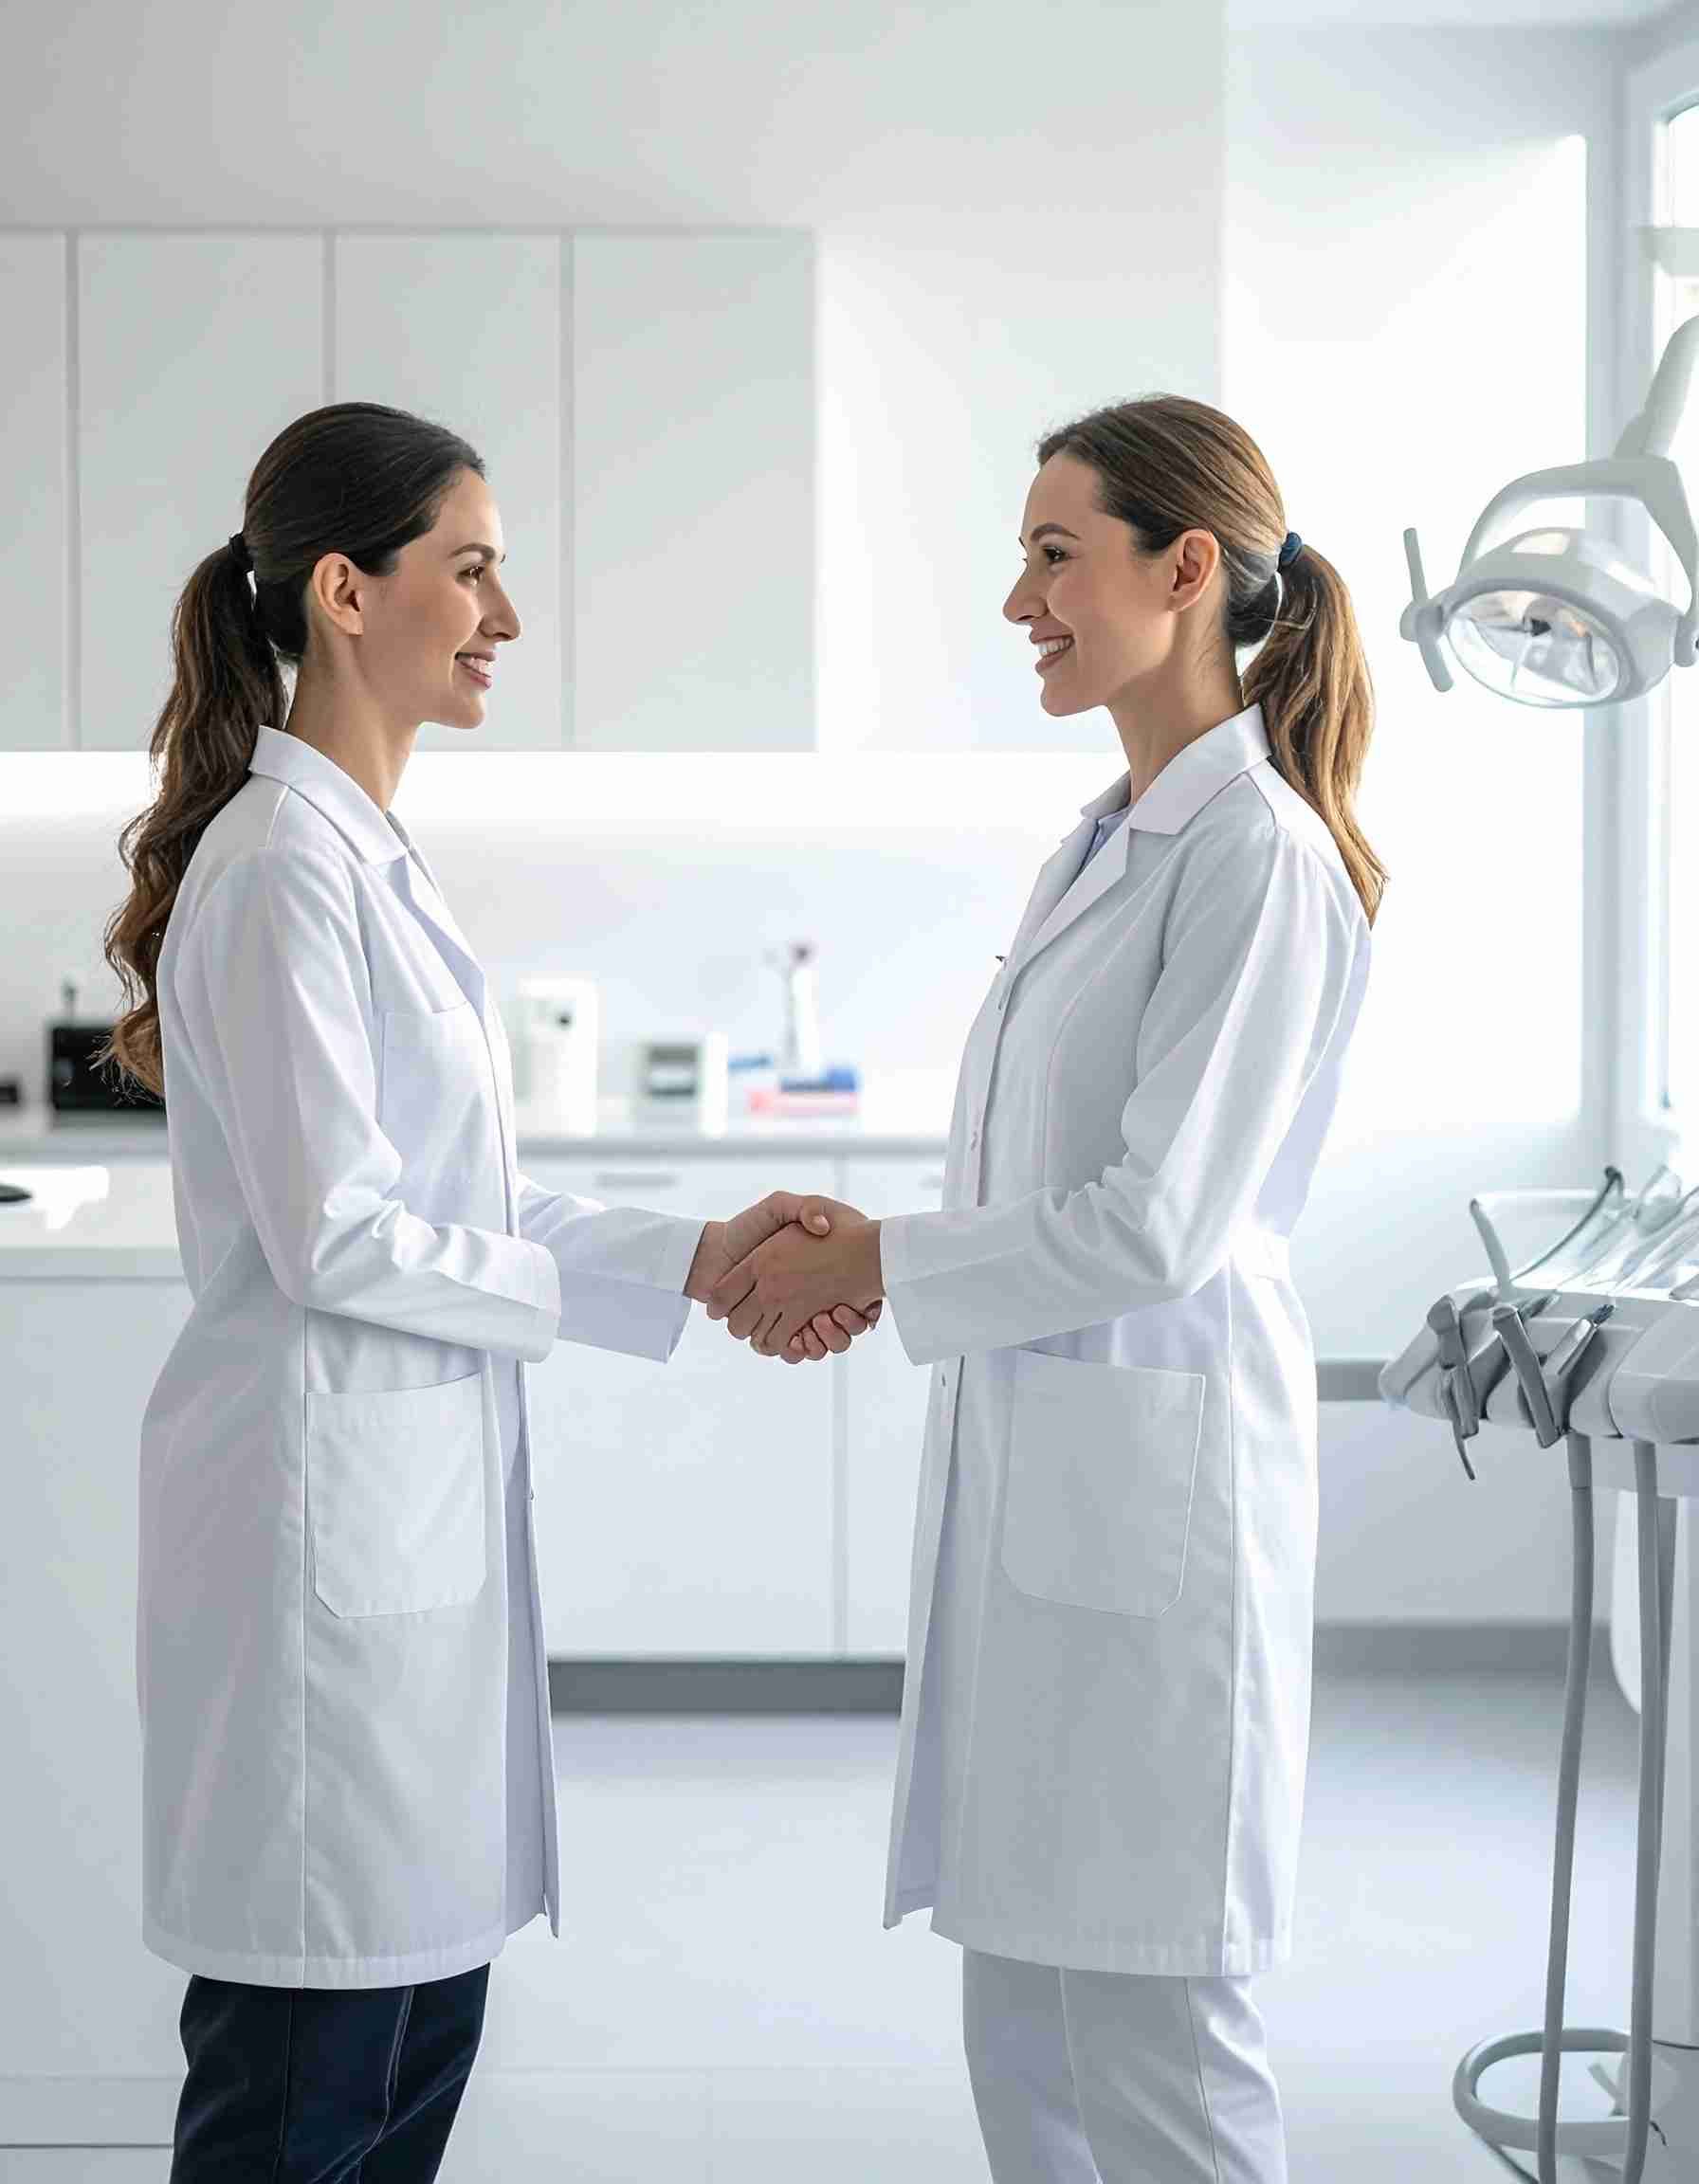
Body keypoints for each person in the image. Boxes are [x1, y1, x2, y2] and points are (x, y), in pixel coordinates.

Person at [99, 401, 876, 2184]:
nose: (504, 618)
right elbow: (341, 1235)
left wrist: (697, 1257)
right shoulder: (285, 863)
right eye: (473, 569)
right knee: (309, 2077)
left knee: (409, 2039)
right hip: (319, 1554)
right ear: (349, 593)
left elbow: (469, 1202)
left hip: (396, 1545)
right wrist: (610, 1279)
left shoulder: (355, 850)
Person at [706, 394, 1382, 2183]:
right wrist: (886, 1267)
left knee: (1155, 2047)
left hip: (1156, 1529)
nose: (1020, 600)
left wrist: (879, 1266)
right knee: (1023, 2034)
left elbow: (1158, 1225)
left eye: (1052, 555)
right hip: (1045, 1507)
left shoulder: (1259, 857)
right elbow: (1037, 1189)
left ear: (1184, 570)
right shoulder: (1107, 837)